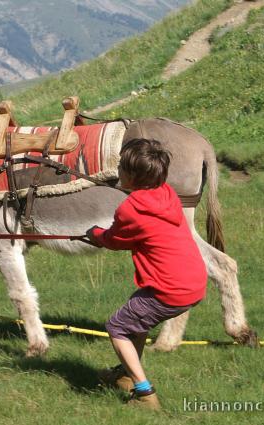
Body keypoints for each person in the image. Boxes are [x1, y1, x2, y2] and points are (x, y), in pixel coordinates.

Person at [86, 138, 207, 410]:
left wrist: (94, 235)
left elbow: (115, 240)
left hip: (170, 289)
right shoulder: (167, 193)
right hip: (193, 281)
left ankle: (144, 392)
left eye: (120, 166)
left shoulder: (131, 208)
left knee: (116, 327)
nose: (117, 169)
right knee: (135, 313)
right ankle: (126, 374)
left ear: (130, 176)